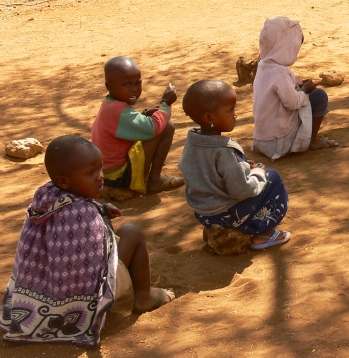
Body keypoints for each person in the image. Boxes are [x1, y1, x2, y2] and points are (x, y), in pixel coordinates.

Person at [1, 136, 174, 347]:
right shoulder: (82, 214)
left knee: (116, 232)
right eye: (90, 173)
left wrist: (100, 210)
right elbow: (98, 259)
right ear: (64, 181)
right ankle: (144, 297)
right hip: (84, 301)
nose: (100, 176)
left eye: (100, 169)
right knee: (132, 232)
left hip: (40, 296)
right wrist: (100, 217)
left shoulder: (46, 198)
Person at [180, 80, 291, 250]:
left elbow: (209, 172)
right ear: (209, 118)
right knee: (273, 179)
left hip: (203, 214)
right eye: (230, 110)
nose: (235, 114)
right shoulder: (224, 150)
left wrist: (243, 166)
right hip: (225, 215)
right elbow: (241, 190)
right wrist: (258, 173)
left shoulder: (193, 141)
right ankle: (262, 233)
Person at [91, 56, 183, 194]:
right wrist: (165, 102)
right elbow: (154, 128)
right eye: (127, 84)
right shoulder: (118, 110)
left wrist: (145, 114)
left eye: (138, 83)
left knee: (154, 120)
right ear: (110, 86)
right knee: (166, 126)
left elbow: (129, 125)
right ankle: (154, 181)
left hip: (107, 174)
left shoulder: (109, 105)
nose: (134, 89)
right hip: (118, 177)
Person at [252, 16, 338, 158]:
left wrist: (297, 86)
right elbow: (292, 103)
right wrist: (305, 90)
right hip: (278, 143)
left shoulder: (262, 66)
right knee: (318, 96)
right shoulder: (280, 73)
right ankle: (313, 141)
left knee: (307, 96)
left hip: (262, 140)